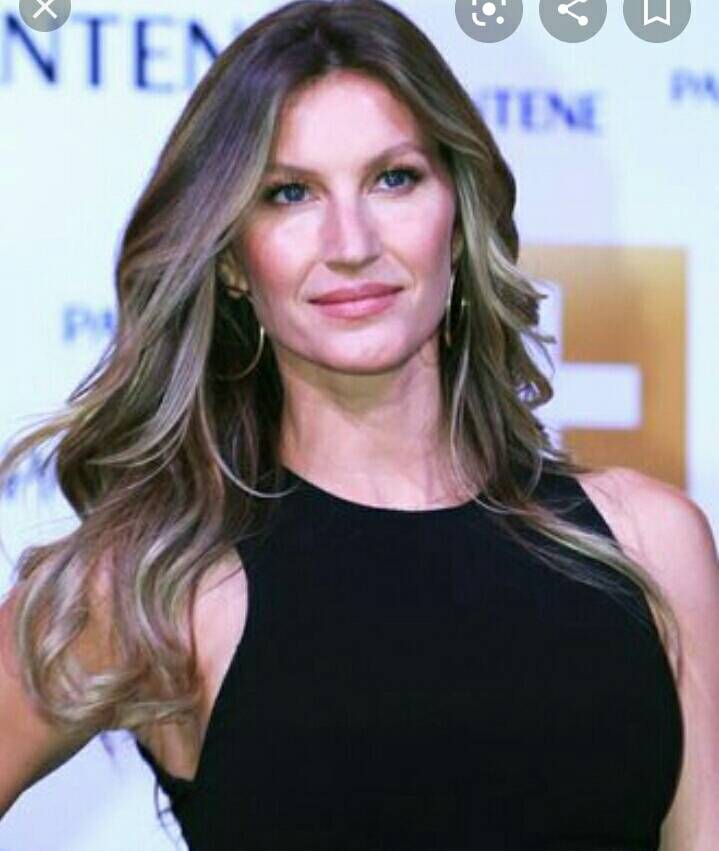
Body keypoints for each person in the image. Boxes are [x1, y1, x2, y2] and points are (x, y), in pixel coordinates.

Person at [0, 0, 717, 848]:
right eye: (289, 193)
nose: (350, 242)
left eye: (393, 178)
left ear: (458, 217)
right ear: (232, 261)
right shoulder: (162, 582)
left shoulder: (646, 545)